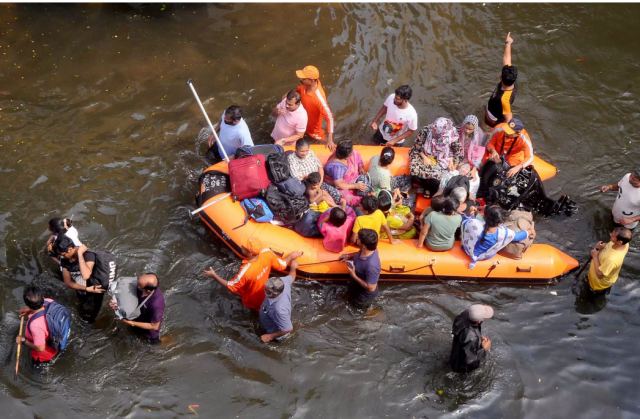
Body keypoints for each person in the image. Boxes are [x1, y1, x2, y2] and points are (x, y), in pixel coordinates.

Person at [203, 246, 303, 311]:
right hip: (268, 295)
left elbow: (231, 286)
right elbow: (282, 265)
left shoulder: (245, 271)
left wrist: (214, 275)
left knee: (253, 312)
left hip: (252, 301)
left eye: (243, 248)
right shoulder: (266, 253)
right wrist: (291, 256)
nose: (241, 248)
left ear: (249, 253)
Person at [54, 236, 110, 323]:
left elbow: (86, 275)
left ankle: (91, 322)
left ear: (69, 249)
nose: (62, 257)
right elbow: (67, 282)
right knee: (82, 305)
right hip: (83, 287)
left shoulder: (88, 254)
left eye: (63, 254)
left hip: (95, 286)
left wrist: (80, 254)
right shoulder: (65, 260)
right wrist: (86, 289)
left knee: (92, 312)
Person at [461, 205, 533, 268]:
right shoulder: (503, 233)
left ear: (484, 217)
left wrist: (470, 214)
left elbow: (465, 220)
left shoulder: (474, 224)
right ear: (500, 222)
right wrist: (529, 231)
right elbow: (517, 237)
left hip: (467, 249)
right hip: (482, 256)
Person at [478, 117, 533, 196]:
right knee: (483, 164)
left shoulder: (524, 139)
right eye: (507, 129)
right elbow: (489, 143)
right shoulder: (499, 128)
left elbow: (530, 157)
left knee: (507, 175)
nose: (506, 132)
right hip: (497, 151)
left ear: (518, 133)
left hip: (513, 156)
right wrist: (493, 151)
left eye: (510, 132)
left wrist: (518, 167)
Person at [410, 117, 463, 198]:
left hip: (444, 158)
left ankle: (430, 188)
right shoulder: (426, 130)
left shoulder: (451, 134)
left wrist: (453, 163)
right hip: (425, 154)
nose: (436, 136)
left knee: (440, 178)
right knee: (415, 169)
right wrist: (424, 157)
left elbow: (458, 152)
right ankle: (425, 185)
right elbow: (417, 146)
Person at [109, 273, 165, 344]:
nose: (135, 284)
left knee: (154, 345)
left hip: (148, 332)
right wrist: (116, 303)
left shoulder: (156, 304)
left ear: (147, 290)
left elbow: (155, 326)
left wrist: (131, 323)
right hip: (135, 319)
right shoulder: (139, 286)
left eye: (139, 285)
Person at [16, 285, 60, 364]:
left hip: (45, 356)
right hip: (55, 341)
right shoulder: (49, 301)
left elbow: (40, 348)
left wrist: (23, 341)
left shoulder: (35, 325)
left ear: (27, 303)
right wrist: (29, 310)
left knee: (36, 372)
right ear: (42, 297)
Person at [295, 65, 335, 151]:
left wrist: (330, 139)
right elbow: (297, 91)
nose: (301, 80)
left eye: (303, 78)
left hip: (313, 130)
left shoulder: (319, 98)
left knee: (320, 141)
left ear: (312, 80)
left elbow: (330, 118)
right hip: (301, 122)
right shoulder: (304, 85)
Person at [341, 229, 381, 309]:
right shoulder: (369, 249)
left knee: (356, 309)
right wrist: (349, 256)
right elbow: (359, 253)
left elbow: (371, 288)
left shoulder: (372, 266)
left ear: (364, 245)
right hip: (357, 285)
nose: (356, 239)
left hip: (364, 295)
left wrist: (354, 275)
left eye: (358, 239)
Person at [259, 260, 299, 343]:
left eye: (268, 292)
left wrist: (270, 336)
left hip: (274, 332)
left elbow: (288, 329)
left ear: (276, 294)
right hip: (269, 317)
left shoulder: (279, 309)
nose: (265, 291)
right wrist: (293, 268)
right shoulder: (282, 281)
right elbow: (291, 276)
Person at [586, 227, 631, 296]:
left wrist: (595, 256)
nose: (610, 235)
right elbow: (609, 245)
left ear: (619, 242)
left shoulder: (612, 260)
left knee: (590, 296)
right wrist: (603, 246)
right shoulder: (625, 244)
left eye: (613, 236)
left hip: (598, 284)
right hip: (601, 271)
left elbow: (600, 275)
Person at [449, 304, 494, 373]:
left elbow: (464, 332)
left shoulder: (464, 315)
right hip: (460, 367)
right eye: (484, 318)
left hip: (455, 352)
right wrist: (484, 349)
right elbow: (470, 363)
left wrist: (478, 337)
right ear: (478, 321)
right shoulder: (471, 337)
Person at [485, 32, 517, 127]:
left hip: (494, 118)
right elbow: (507, 59)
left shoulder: (504, 100)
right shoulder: (511, 77)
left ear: (500, 78)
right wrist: (508, 43)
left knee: (487, 125)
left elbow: (509, 119)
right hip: (496, 107)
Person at [324, 140, 367, 206]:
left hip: (351, 179)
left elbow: (357, 156)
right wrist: (355, 186)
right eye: (351, 151)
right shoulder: (337, 167)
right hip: (339, 185)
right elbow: (339, 185)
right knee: (347, 197)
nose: (353, 152)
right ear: (347, 155)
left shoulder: (347, 153)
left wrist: (360, 167)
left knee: (364, 180)